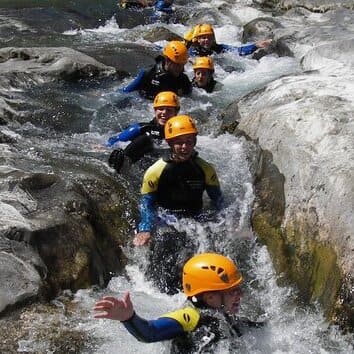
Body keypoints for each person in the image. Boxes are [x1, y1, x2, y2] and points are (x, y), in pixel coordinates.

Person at [94, 252, 264, 353]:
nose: (240, 294)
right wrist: (128, 317)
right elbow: (149, 333)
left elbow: (245, 329)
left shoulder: (220, 311)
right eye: (233, 291)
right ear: (210, 297)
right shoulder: (188, 316)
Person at [133, 115, 223, 247]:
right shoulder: (155, 171)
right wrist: (145, 229)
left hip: (195, 219)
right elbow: (147, 203)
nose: (185, 147)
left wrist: (225, 222)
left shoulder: (206, 169)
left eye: (189, 141)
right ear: (170, 143)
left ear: (195, 142)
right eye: (179, 142)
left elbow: (218, 199)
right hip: (165, 219)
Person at [107, 91, 180, 173]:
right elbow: (114, 141)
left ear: (176, 112)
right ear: (155, 110)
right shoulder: (142, 128)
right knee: (146, 138)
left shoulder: (180, 131)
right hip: (139, 164)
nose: (164, 113)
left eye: (169, 110)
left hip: (162, 166)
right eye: (161, 109)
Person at [122, 40, 192, 99]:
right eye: (177, 64)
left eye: (182, 64)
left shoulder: (184, 80)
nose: (180, 68)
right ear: (167, 60)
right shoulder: (148, 73)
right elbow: (125, 92)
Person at [188, 23, 272, 57]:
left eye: (209, 37)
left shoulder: (218, 48)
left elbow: (238, 51)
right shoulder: (193, 51)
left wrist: (256, 45)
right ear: (198, 39)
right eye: (203, 38)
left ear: (213, 39)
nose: (206, 40)